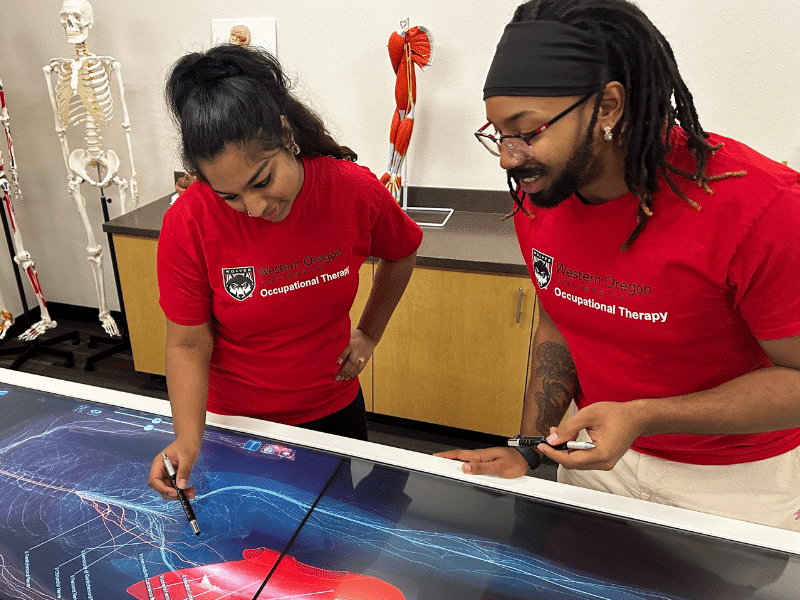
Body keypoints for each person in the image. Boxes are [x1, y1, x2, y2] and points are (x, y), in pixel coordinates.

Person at [437, 0, 800, 531]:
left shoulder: (763, 208)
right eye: (497, 133)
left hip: (734, 480)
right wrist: (532, 445)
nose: (508, 159)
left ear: (607, 106)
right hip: (593, 455)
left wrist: (646, 416)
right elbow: (559, 316)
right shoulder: (542, 195)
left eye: (528, 131)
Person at [148, 44, 422, 501]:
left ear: (284, 134)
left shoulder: (352, 190)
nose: (254, 208)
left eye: (262, 181)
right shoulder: (189, 222)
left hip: (332, 412)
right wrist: (187, 440)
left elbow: (401, 251)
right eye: (229, 197)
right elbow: (188, 344)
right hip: (235, 424)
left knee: (330, 549)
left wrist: (370, 333)